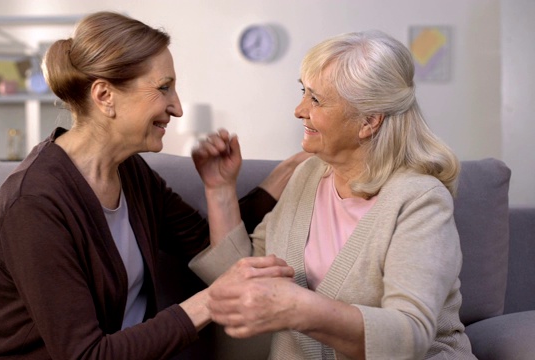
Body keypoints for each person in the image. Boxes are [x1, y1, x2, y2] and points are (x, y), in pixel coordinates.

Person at [0, 11, 303, 360]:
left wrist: (231, 185)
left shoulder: (132, 174)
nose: (176, 107)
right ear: (104, 96)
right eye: (163, 88)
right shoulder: (34, 203)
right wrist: (214, 298)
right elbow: (86, 355)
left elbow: (213, 250)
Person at [189, 30, 477, 359]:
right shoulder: (308, 175)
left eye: (316, 99)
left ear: (368, 121)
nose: (299, 110)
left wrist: (300, 308)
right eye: (303, 92)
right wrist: (219, 188)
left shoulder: (420, 199)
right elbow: (242, 277)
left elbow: (408, 336)